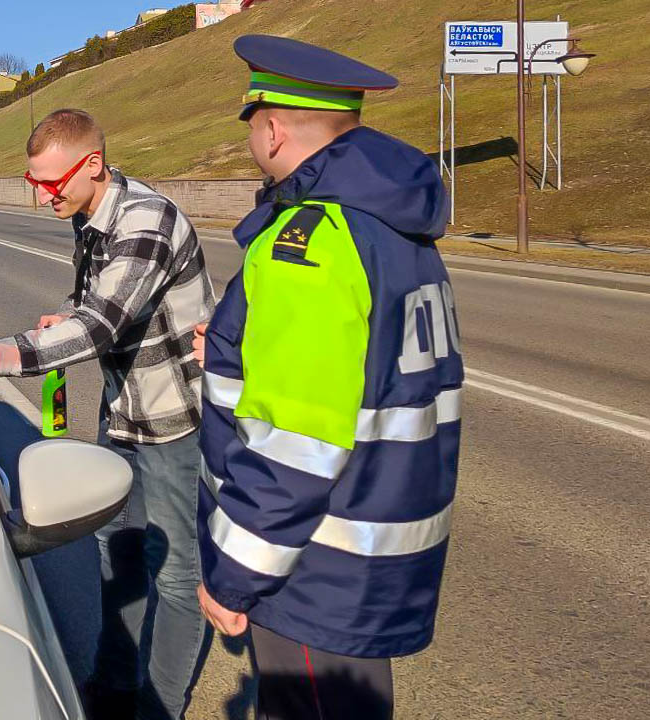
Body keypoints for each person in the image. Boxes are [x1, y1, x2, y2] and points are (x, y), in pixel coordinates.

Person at [194, 35, 462, 720]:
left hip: (313, 565)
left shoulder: (307, 242)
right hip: (371, 540)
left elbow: (295, 441)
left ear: (275, 128)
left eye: (253, 123)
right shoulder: (391, 224)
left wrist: (235, 577)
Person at [0, 108, 215, 720]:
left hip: (175, 421)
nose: (42, 199)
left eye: (52, 183)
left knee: (172, 577)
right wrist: (63, 314)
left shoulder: (148, 221)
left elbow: (102, 326)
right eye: (34, 183)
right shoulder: (89, 213)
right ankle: (111, 689)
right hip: (122, 413)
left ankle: (157, 707)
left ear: (92, 165)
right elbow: (93, 302)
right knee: (114, 553)